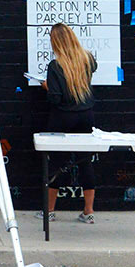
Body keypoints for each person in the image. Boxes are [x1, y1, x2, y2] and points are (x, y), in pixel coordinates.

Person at [38, 23, 98, 224]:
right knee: (85, 161)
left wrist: (47, 86)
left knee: (56, 162)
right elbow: (92, 71)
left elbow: (55, 98)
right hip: (85, 115)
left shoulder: (55, 66)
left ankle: (50, 210)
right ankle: (88, 211)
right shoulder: (88, 59)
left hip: (62, 118)